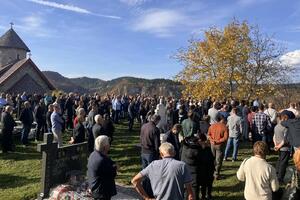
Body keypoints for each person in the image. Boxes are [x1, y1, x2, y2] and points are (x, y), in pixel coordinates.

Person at [87, 135, 117, 200]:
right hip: (101, 192)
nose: (109, 145)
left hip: (94, 187)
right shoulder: (102, 160)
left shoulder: (93, 154)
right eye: (108, 143)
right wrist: (115, 167)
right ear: (105, 147)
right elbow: (112, 174)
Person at [208, 115, 229, 179]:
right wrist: (218, 141)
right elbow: (225, 138)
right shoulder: (224, 127)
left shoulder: (212, 126)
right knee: (218, 160)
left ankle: (211, 173)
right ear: (221, 119)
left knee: (212, 159)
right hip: (220, 145)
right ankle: (216, 174)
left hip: (212, 144)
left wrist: (212, 141)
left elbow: (208, 135)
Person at [273, 112, 290, 184]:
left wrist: (276, 145)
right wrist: (279, 146)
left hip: (278, 147)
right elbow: (285, 140)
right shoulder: (286, 128)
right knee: (283, 163)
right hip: (284, 148)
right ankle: (280, 178)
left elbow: (274, 136)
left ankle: (276, 173)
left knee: (279, 160)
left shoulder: (276, 126)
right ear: (285, 119)